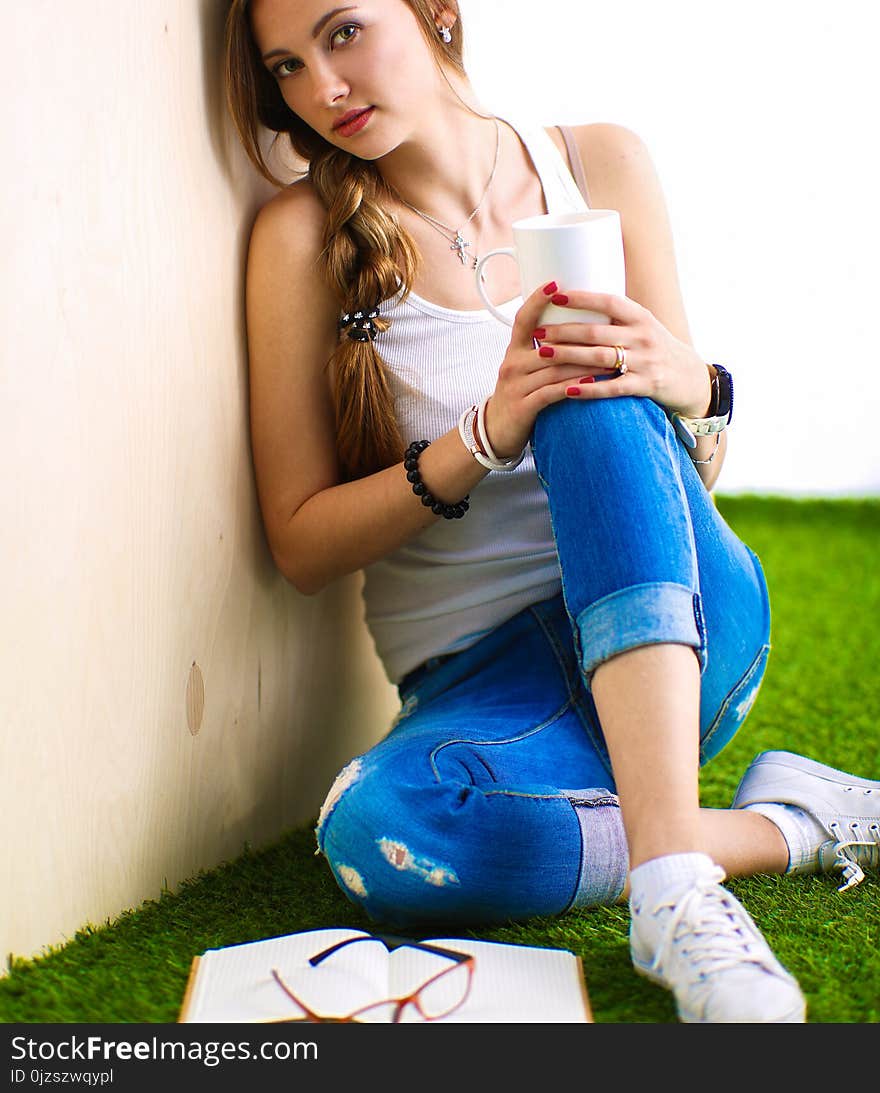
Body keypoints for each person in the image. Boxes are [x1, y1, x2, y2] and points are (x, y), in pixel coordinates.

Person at [223, 0, 879, 1023]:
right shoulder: (298, 235)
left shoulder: (601, 165)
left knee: (581, 379)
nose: (323, 88)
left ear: (433, 13)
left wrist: (696, 387)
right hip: (492, 689)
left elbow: (688, 471)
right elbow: (301, 541)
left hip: (687, 627)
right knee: (377, 831)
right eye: (288, 68)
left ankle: (668, 889)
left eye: (343, 32)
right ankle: (775, 828)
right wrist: (482, 436)